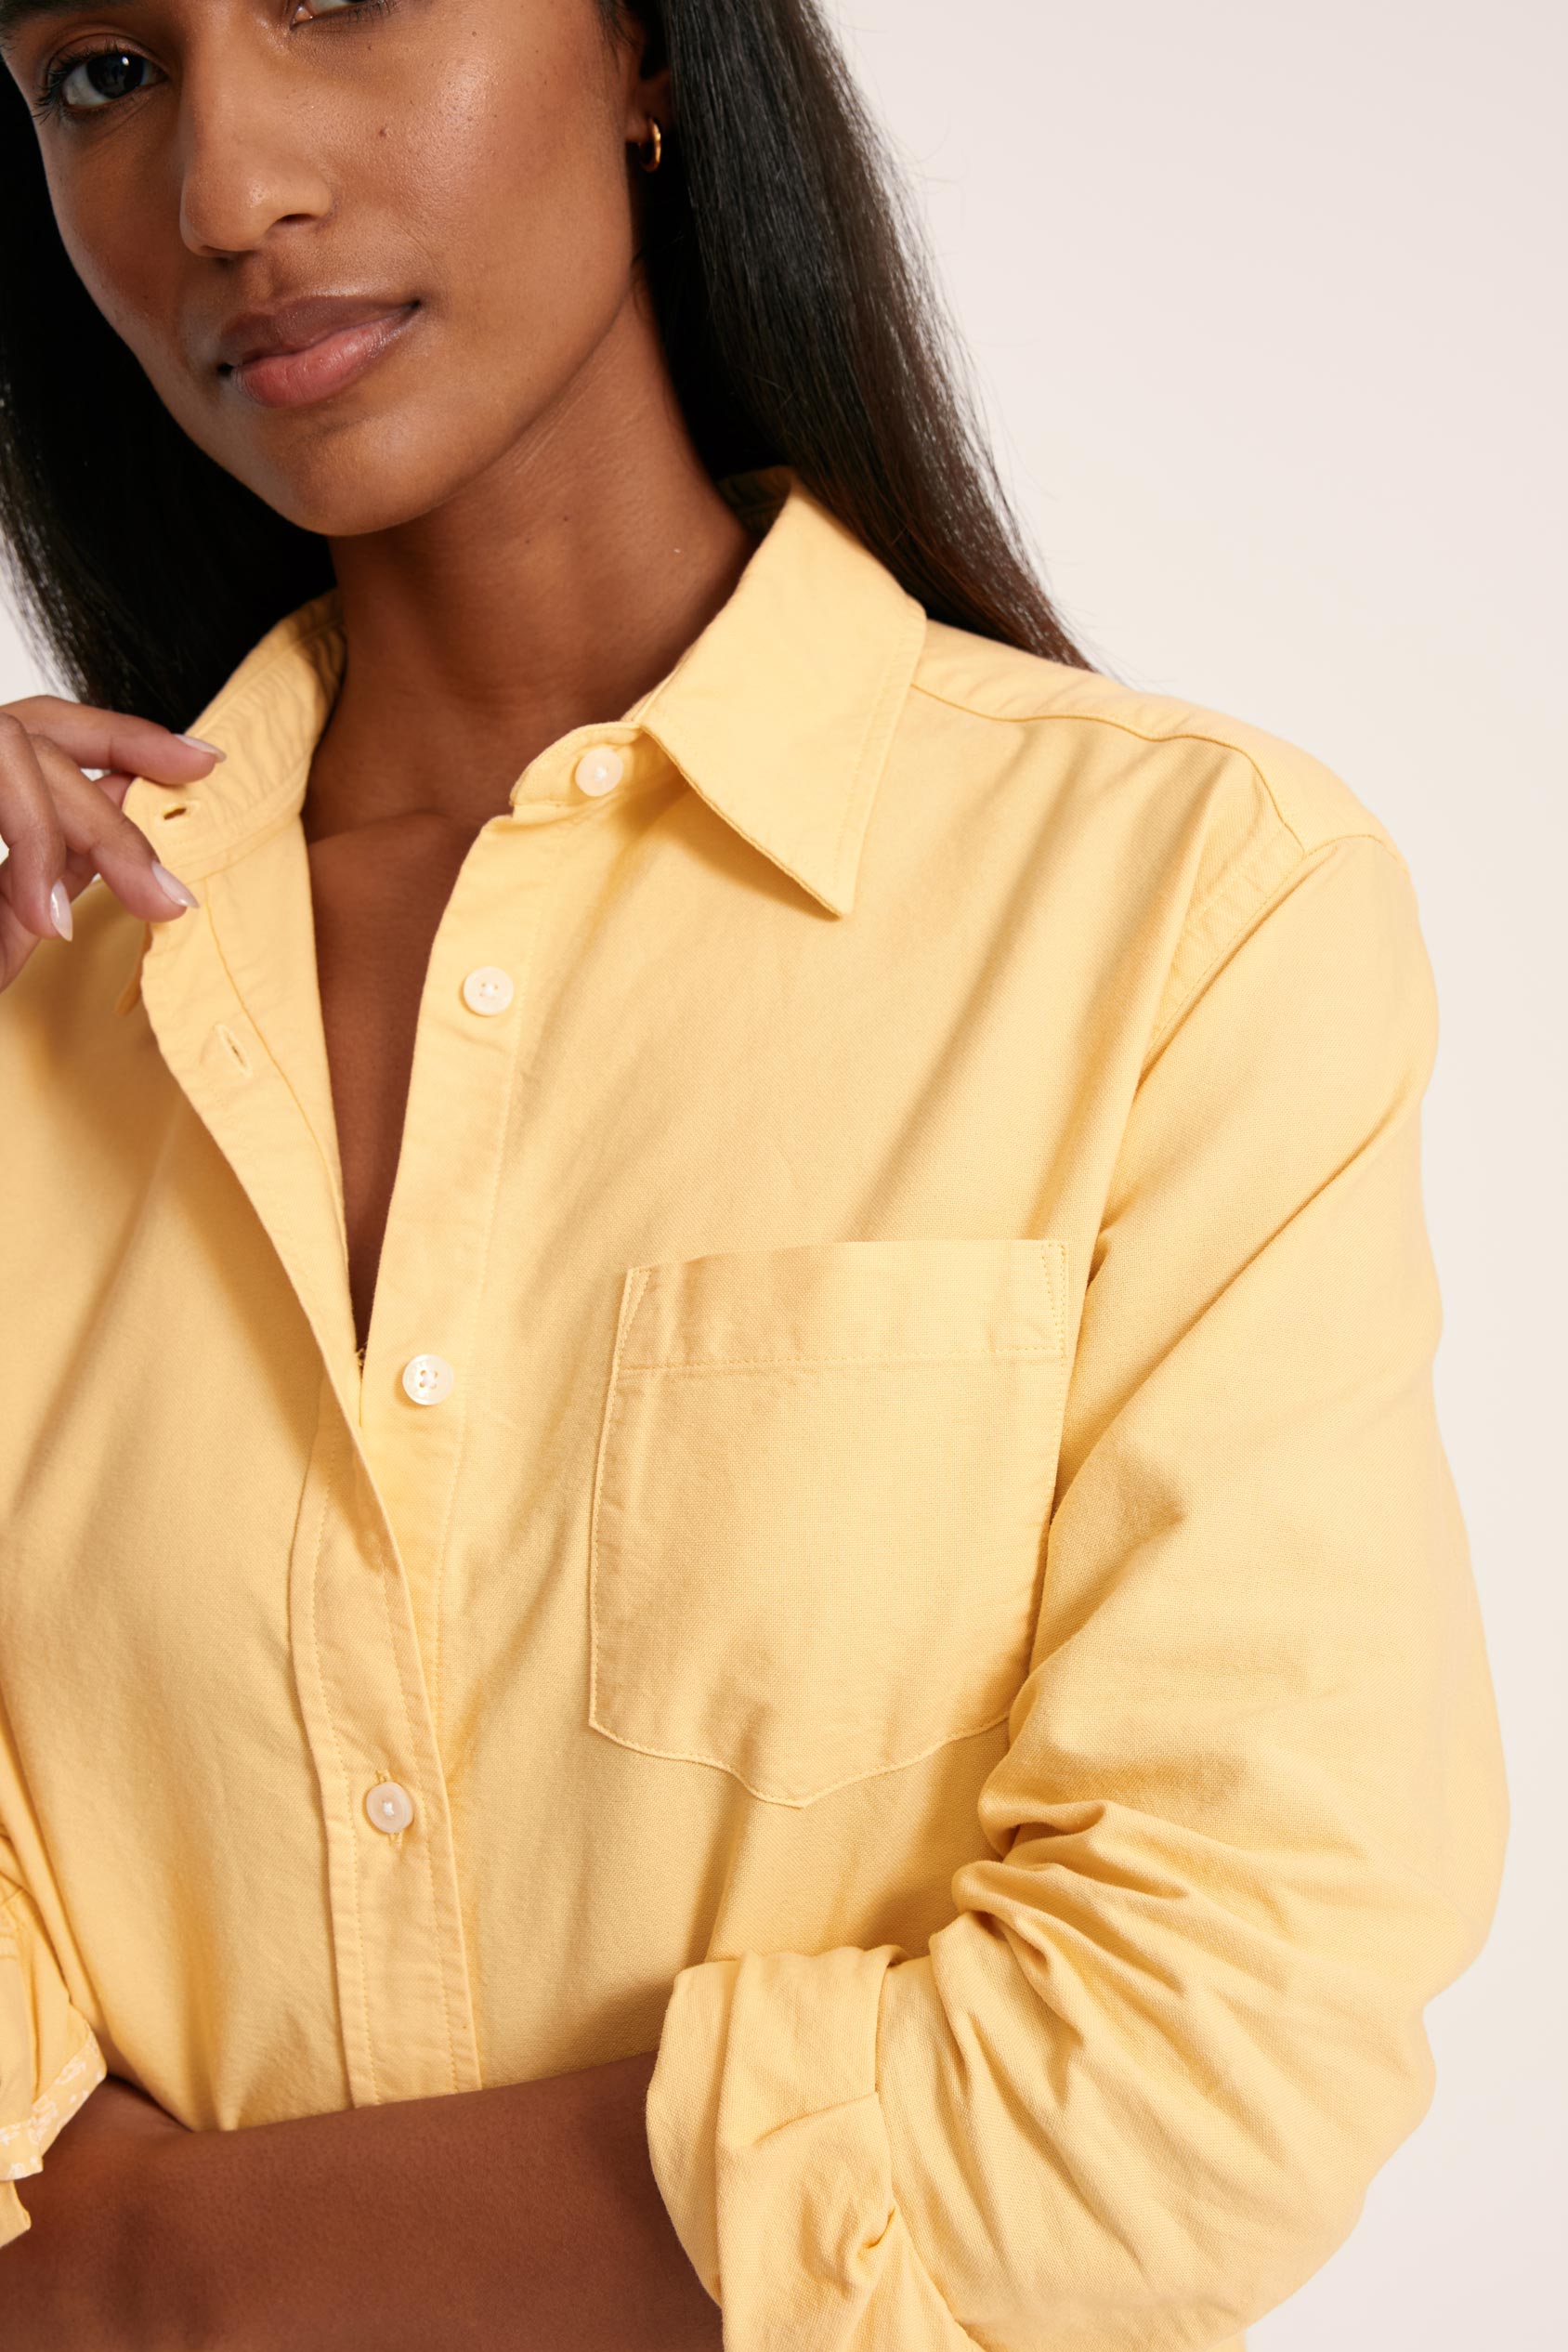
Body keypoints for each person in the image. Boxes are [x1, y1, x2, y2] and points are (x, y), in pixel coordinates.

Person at [0, 2, 1508, 2346]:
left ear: (641, 52)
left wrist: (138, 2276)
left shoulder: (1180, 913)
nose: (223, 191)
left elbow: (1211, 2038)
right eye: (104, 72)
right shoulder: (32, 1014)